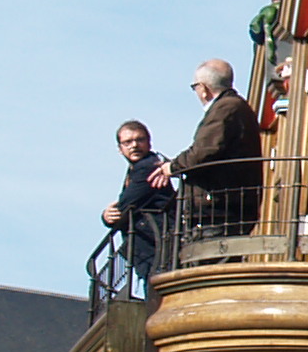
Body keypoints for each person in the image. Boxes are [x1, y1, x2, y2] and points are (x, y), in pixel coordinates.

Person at [164, 60, 265, 233]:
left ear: (203, 89)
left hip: (220, 208)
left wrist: (172, 167)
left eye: (195, 87)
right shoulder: (236, 106)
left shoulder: (225, 108)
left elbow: (202, 152)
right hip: (232, 206)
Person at [101, 121, 178, 289]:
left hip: (157, 246)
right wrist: (107, 215)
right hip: (152, 247)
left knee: (156, 292)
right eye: (128, 142)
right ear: (120, 148)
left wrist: (107, 217)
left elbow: (125, 206)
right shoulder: (138, 169)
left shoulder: (147, 168)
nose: (134, 145)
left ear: (149, 143)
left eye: (139, 140)